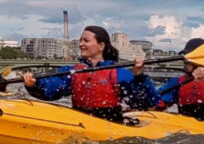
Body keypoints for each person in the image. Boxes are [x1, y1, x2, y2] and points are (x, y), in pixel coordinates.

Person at [23, 25, 161, 123]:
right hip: (80, 121)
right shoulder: (74, 72)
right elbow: (52, 88)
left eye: (86, 40)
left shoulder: (118, 73)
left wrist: (139, 76)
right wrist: (35, 84)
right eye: (80, 40)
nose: (81, 44)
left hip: (110, 123)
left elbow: (147, 103)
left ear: (101, 46)